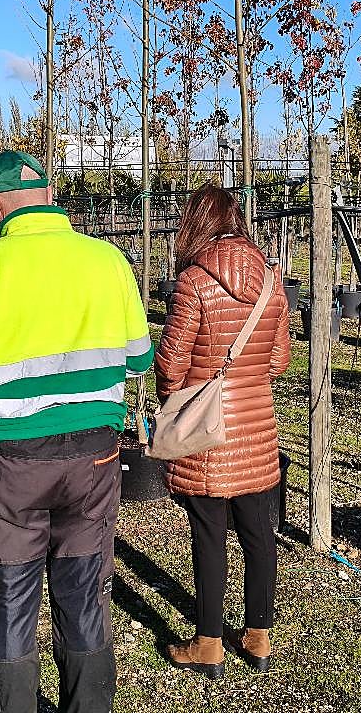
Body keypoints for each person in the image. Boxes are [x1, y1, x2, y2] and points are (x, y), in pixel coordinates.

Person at [0, 150, 153, 713]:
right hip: (95, 459)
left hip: (12, 465)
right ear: (51, 197)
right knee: (84, 596)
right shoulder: (110, 261)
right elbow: (138, 359)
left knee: (6, 602)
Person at [154, 182, 291, 678]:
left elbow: (170, 364)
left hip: (206, 433)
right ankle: (259, 637)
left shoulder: (193, 282)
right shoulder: (272, 280)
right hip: (255, 427)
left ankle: (208, 643)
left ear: (197, 223)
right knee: (259, 534)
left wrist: (187, 386)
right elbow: (279, 359)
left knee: (209, 536)